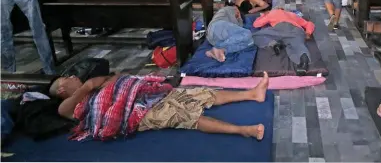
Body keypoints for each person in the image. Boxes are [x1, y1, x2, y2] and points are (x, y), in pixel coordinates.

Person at [50, 72, 269, 141]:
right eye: (65, 79)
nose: (71, 76)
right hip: (133, 113)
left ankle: (252, 93)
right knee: (183, 114)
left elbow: (118, 79)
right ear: (61, 91)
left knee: (197, 93)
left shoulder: (90, 90)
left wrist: (114, 84)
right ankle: (243, 131)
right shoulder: (66, 107)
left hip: (143, 94)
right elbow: (92, 84)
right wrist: (91, 85)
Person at [252, 9, 315, 75]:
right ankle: (304, 63)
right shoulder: (293, 15)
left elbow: (256, 24)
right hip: (296, 31)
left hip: (279, 29)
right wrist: (308, 33)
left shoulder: (272, 13)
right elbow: (309, 24)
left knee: (255, 36)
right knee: (298, 44)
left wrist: (264, 15)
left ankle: (274, 44)